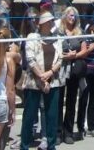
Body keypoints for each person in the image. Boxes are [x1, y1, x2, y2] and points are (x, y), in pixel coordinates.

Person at [19, 11, 64, 150]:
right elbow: (30, 59)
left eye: (52, 21)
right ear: (43, 23)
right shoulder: (32, 37)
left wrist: (50, 73)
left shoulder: (57, 38)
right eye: (49, 21)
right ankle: (24, 145)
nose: (51, 23)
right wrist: (41, 77)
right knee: (29, 115)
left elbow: (60, 58)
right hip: (34, 81)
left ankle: (51, 145)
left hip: (53, 81)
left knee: (52, 116)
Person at [59, 6, 90, 143]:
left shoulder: (79, 32)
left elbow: (84, 51)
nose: (72, 18)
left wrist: (74, 55)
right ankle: (57, 132)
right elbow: (52, 48)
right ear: (65, 16)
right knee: (58, 101)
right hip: (60, 68)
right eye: (70, 15)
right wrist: (64, 56)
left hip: (74, 70)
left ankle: (68, 132)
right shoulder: (58, 32)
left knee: (71, 101)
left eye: (74, 16)